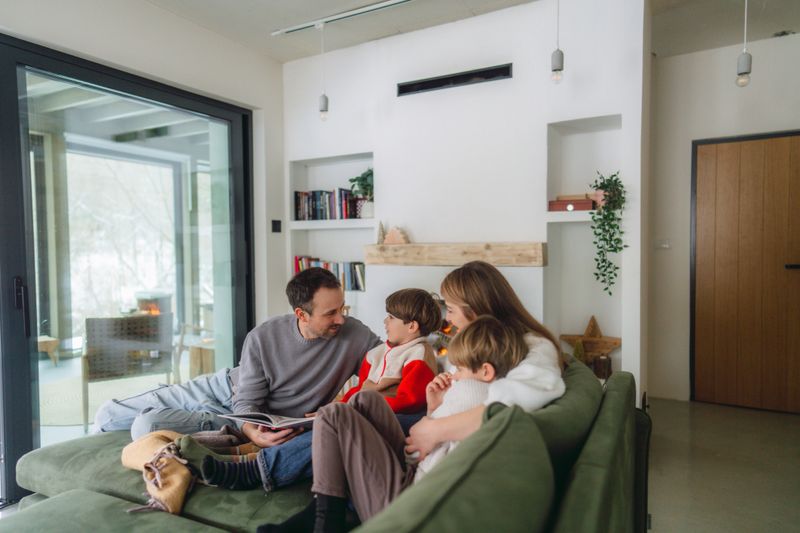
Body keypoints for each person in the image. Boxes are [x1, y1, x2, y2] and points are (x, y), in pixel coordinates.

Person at [93, 267, 381, 490]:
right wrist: (250, 430)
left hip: (245, 419)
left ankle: (216, 429)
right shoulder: (264, 337)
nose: (340, 319)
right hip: (225, 391)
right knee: (108, 415)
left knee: (145, 424)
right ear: (301, 314)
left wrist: (346, 402)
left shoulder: (354, 335)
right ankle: (210, 424)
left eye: (342, 309)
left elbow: (394, 364)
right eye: (330, 313)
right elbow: (247, 402)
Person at [258, 315, 528, 533]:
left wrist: (428, 420)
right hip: (415, 484)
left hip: (408, 502)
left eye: (459, 369)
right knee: (366, 399)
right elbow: (439, 449)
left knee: (333, 414)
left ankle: (327, 517)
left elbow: (418, 454)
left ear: (485, 371)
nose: (454, 375)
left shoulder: (469, 392)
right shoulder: (484, 393)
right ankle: (333, 507)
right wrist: (434, 408)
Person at [200, 287, 441, 490]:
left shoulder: (419, 354)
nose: (385, 321)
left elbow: (408, 400)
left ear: (412, 326)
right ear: (301, 314)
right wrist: (338, 405)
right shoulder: (383, 351)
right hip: (226, 385)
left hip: (390, 414)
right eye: (332, 312)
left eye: (391, 317)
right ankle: (255, 461)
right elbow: (359, 390)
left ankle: (255, 470)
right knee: (331, 421)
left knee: (337, 425)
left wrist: (346, 408)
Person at [404, 260, 565, 462]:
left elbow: (509, 404)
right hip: (436, 427)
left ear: (476, 309)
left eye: (451, 310)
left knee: (357, 424)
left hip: (444, 445)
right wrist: (434, 410)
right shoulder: (475, 344)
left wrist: (434, 430)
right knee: (367, 409)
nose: (449, 320)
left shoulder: (535, 347)